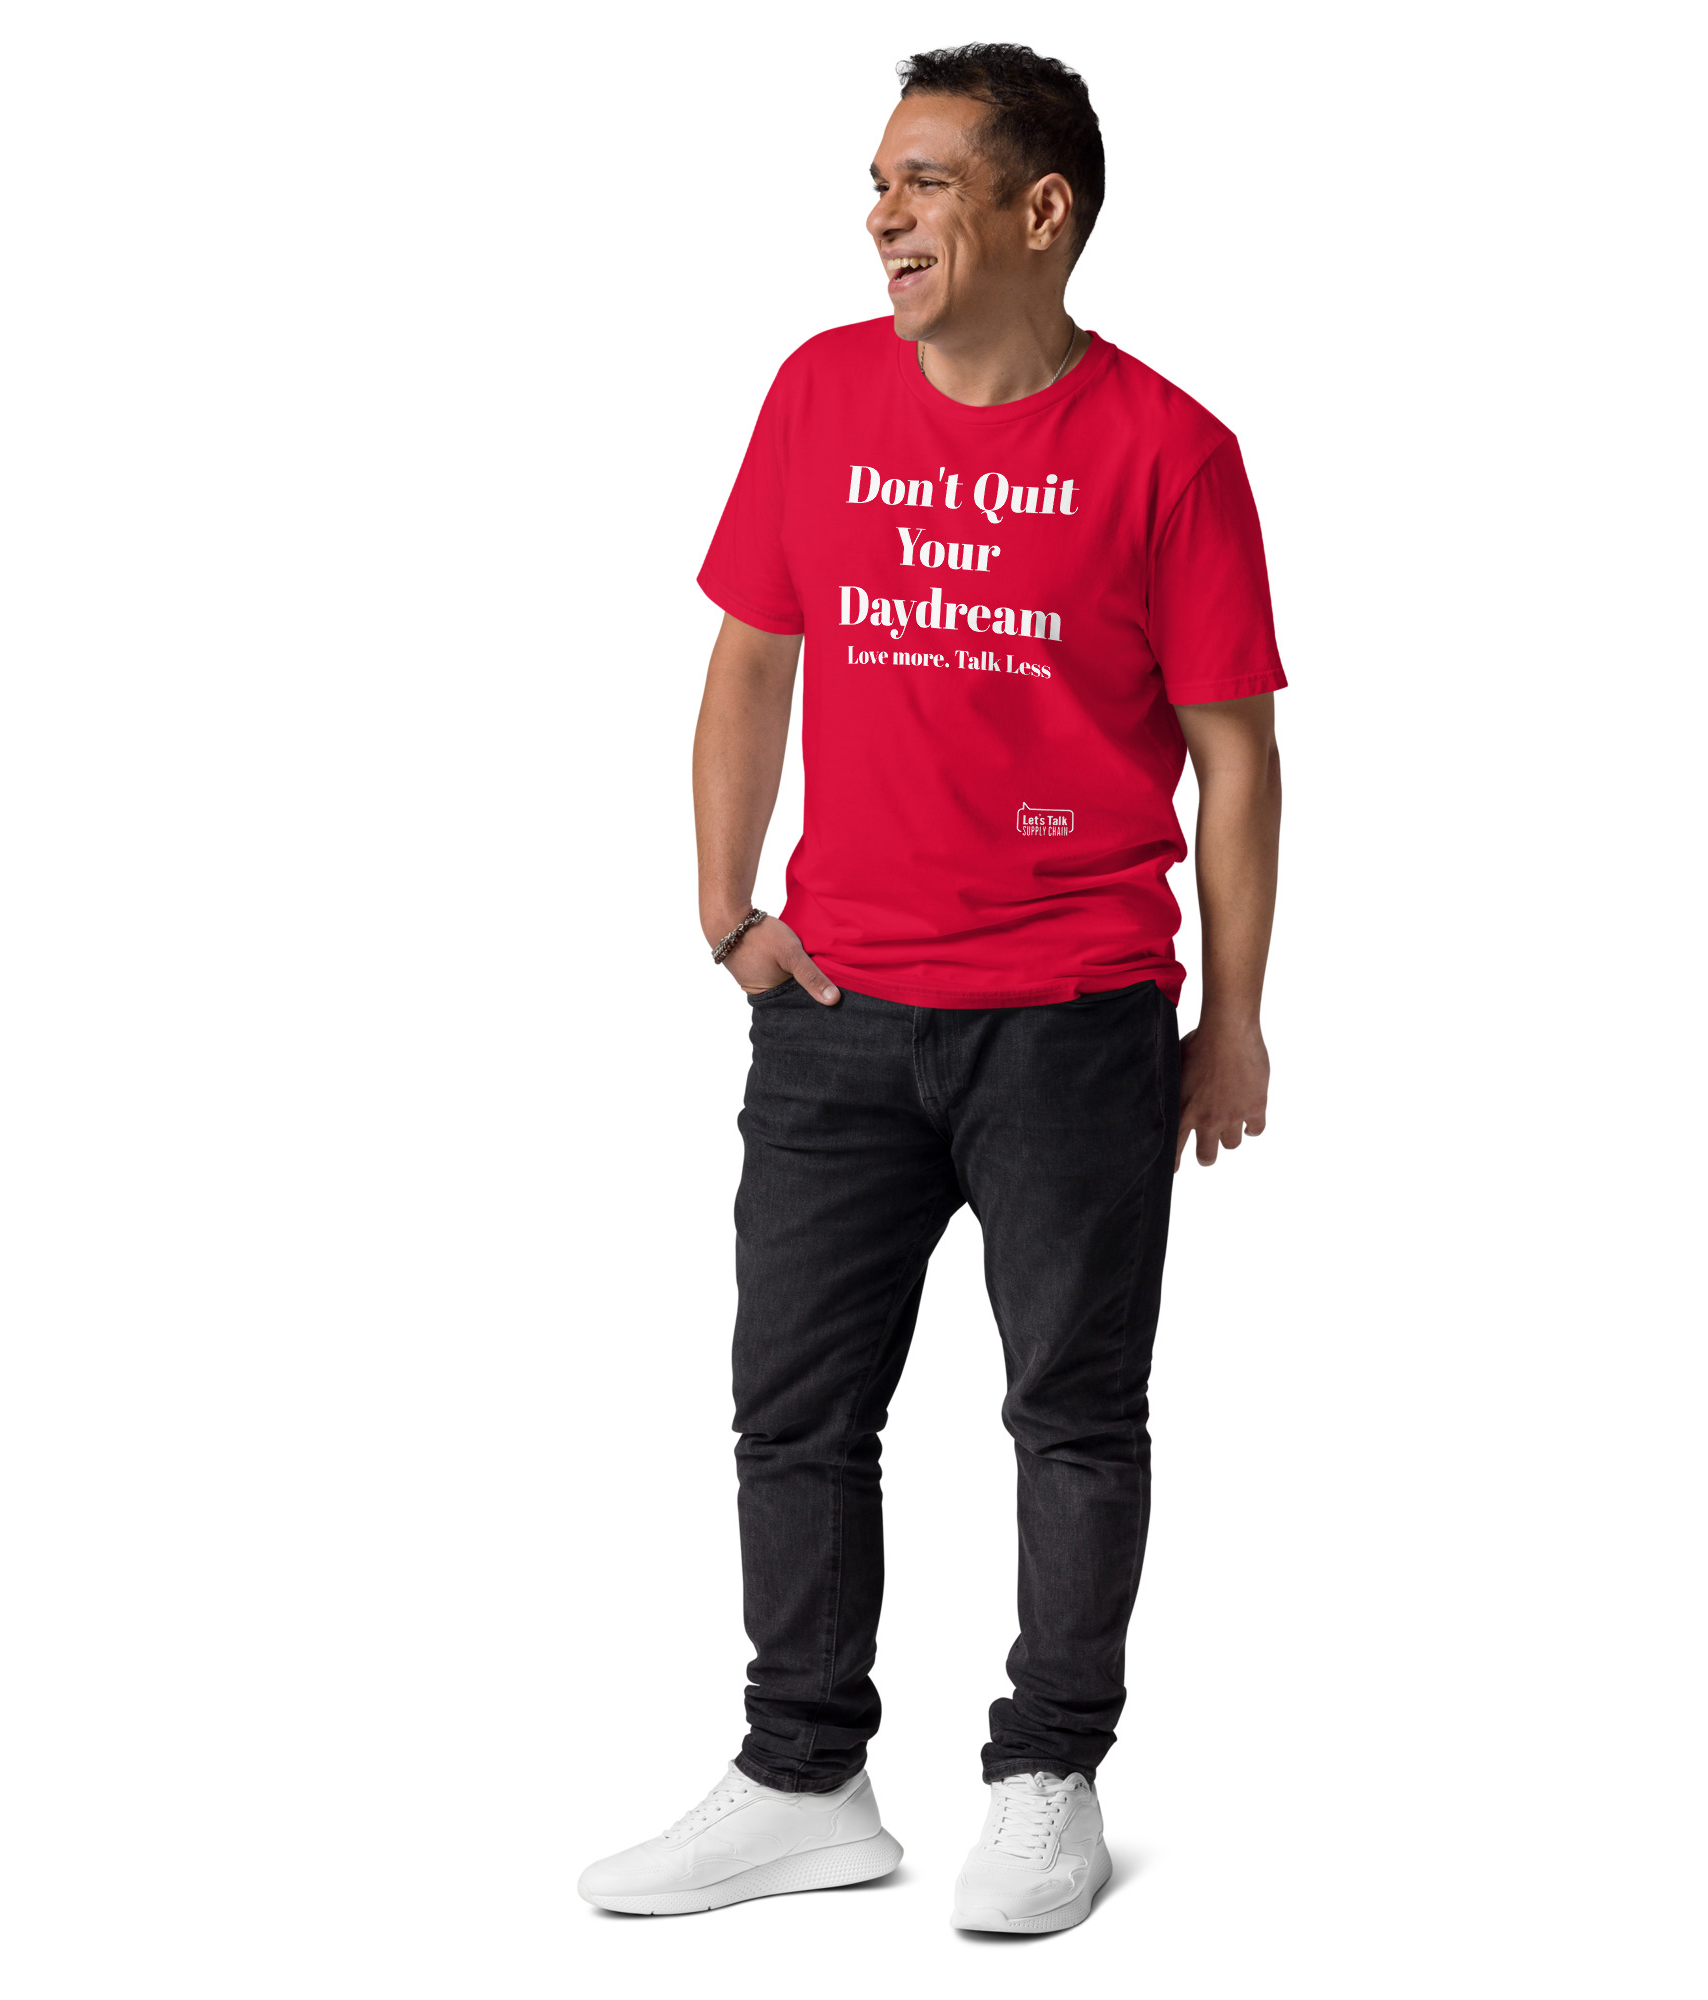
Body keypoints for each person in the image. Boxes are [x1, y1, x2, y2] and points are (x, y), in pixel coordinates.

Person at [579, 42, 1283, 1933]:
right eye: (878, 182)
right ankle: (802, 1776)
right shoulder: (817, 393)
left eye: (924, 180)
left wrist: (1231, 1016)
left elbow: (1236, 757)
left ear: (1042, 210)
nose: (880, 212)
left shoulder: (1171, 452)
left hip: (1074, 1019)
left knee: (1074, 1413)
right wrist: (725, 914)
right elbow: (751, 659)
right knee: (794, 1413)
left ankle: (1049, 1773)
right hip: (837, 1015)